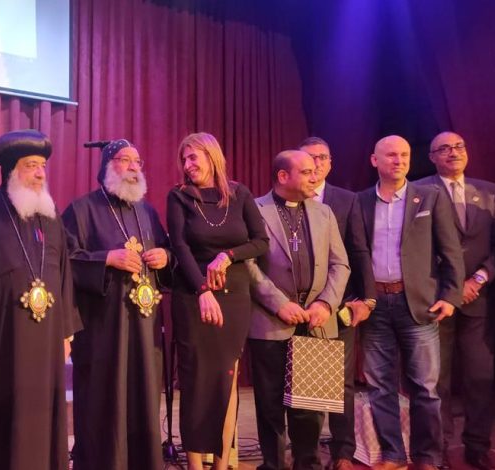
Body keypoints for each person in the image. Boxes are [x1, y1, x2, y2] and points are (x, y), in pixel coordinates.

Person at [0, 129, 81, 470]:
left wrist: (66, 331)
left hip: (46, 339)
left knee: (42, 418)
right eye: (31, 165)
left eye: (42, 166)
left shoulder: (51, 217)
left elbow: (64, 274)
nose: (40, 174)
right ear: (11, 170)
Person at [62, 139, 170, 470]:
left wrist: (165, 256)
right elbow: (64, 262)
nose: (134, 167)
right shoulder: (81, 210)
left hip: (144, 328)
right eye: (125, 160)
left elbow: (168, 252)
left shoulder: (147, 212)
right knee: (103, 399)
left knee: (143, 394)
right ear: (108, 166)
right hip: (103, 329)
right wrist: (107, 258)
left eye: (138, 161)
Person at [357, 135, 464, 470]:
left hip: (418, 304)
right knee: (380, 386)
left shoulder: (430, 196)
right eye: (391, 155)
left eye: (404, 154)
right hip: (375, 304)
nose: (399, 160)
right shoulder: (360, 201)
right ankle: (393, 454)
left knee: (425, 389)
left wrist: (450, 296)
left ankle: (426, 458)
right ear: (375, 160)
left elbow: (450, 250)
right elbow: (354, 254)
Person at [167, 132, 269, 470]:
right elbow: (180, 247)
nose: (187, 165)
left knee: (227, 380)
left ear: (212, 157)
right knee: (195, 382)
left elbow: (260, 241)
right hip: (192, 296)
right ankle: (196, 465)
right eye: (184, 159)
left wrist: (228, 255)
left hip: (234, 297)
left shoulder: (240, 194)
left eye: (193, 157)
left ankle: (222, 465)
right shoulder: (179, 197)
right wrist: (203, 291)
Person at [245, 150, 350, 470]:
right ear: (283, 176)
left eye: (315, 171)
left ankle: (308, 464)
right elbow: (248, 265)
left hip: (316, 321)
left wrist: (326, 303)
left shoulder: (324, 213)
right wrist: (279, 304)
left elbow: (340, 265)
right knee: (270, 404)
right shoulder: (255, 210)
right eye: (306, 172)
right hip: (271, 320)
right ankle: (274, 464)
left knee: (311, 407)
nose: (315, 177)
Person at [415, 131, 495, 470]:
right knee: (437, 380)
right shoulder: (418, 191)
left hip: (480, 299)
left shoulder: (491, 192)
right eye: (445, 148)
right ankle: (437, 450)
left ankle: (477, 445)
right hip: (437, 299)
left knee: (480, 376)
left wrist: (478, 278)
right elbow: (414, 247)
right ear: (432, 157)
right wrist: (452, 285)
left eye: (459, 146)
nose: (454, 152)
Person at [299, 137, 377, 470]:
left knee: (341, 381)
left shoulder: (346, 200)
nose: (316, 164)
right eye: (309, 157)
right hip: (299, 307)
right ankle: (305, 453)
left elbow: (359, 250)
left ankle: (343, 451)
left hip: (340, 304)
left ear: (330, 163)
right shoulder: (288, 197)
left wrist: (368, 298)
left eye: (322, 158)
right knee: (306, 382)